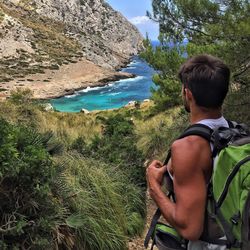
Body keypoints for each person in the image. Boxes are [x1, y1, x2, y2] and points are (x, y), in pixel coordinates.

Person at [146, 54, 231, 249]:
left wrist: (154, 188)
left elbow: (190, 228)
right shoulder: (234, 131)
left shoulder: (188, 147)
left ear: (188, 94)